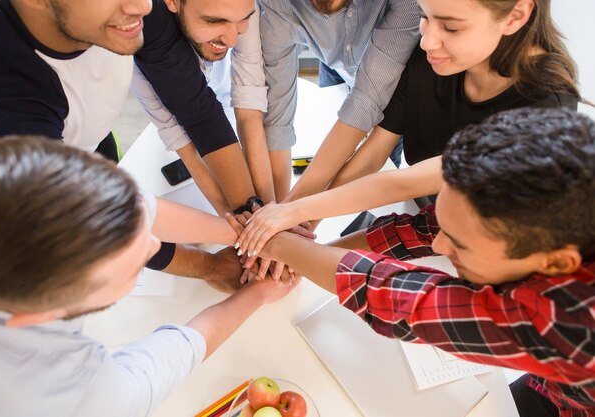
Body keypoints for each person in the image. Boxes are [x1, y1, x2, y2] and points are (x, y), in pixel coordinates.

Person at [228, 107, 595, 417]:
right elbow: (417, 231)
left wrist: (278, 245)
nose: (438, 243)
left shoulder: (572, 322)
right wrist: (304, 247)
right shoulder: (548, 212)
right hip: (556, 386)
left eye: (460, 245)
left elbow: (402, 300)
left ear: (558, 263)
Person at [0, 136, 295, 417]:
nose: (155, 245)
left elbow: (139, 209)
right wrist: (256, 294)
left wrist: (244, 234)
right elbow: (166, 360)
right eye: (130, 265)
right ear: (40, 316)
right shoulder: (72, 399)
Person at [234, 0, 581, 256]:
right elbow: (371, 157)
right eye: (425, 17)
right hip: (420, 217)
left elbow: (403, 181)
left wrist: (296, 213)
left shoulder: (545, 105)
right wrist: (305, 225)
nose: (427, 40)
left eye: (451, 27)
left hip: (476, 248)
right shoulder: (430, 60)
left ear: (516, 16)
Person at [0, 0, 260, 286]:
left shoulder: (133, 9)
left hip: (86, 138)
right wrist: (211, 262)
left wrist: (250, 211)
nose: (144, 6)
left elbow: (196, 110)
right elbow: (91, 214)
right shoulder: (1, 96)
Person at [259, 0, 421, 200]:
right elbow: (277, 121)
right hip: (335, 67)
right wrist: (278, 207)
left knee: (379, 172)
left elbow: (367, 102)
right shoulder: (274, 5)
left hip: (394, 82)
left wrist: (299, 211)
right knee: (327, 137)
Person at [132, 0, 278, 210]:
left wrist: (270, 210)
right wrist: (238, 216)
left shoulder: (240, 7)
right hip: (184, 113)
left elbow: (249, 106)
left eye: (243, 20)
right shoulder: (148, 38)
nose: (232, 40)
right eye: (214, 21)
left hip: (222, 98)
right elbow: (187, 139)